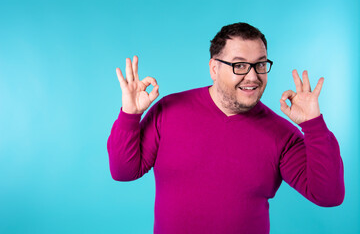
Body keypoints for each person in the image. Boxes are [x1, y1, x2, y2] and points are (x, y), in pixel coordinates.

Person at [107, 22, 345, 234]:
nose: (252, 76)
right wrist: (130, 115)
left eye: (260, 65)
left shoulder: (281, 134)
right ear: (214, 68)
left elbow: (328, 196)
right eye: (239, 65)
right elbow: (124, 171)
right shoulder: (168, 111)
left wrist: (313, 126)